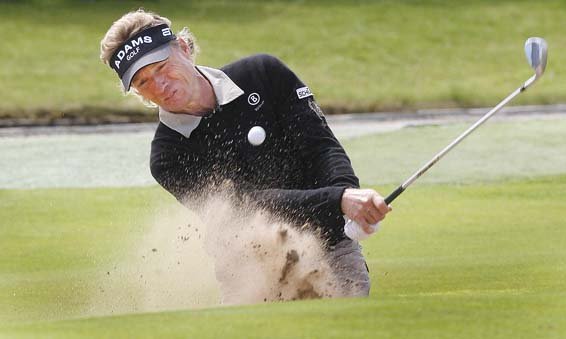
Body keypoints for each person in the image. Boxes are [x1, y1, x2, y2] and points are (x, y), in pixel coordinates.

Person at [100, 9, 391, 298]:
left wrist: (350, 197)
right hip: (248, 268)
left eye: (162, 67)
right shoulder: (168, 156)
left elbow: (321, 147)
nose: (159, 85)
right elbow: (245, 207)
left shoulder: (262, 74)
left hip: (331, 243)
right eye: (143, 82)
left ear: (184, 49)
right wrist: (339, 201)